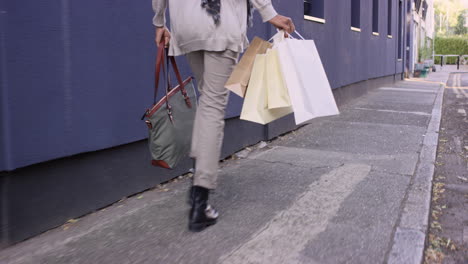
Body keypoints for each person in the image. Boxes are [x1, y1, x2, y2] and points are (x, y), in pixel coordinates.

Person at [152, 0, 295, 232]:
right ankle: (201, 198)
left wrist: (159, 21)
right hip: (220, 21)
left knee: (207, 99)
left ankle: (197, 180)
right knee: (213, 105)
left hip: (185, 24)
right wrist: (269, 14)